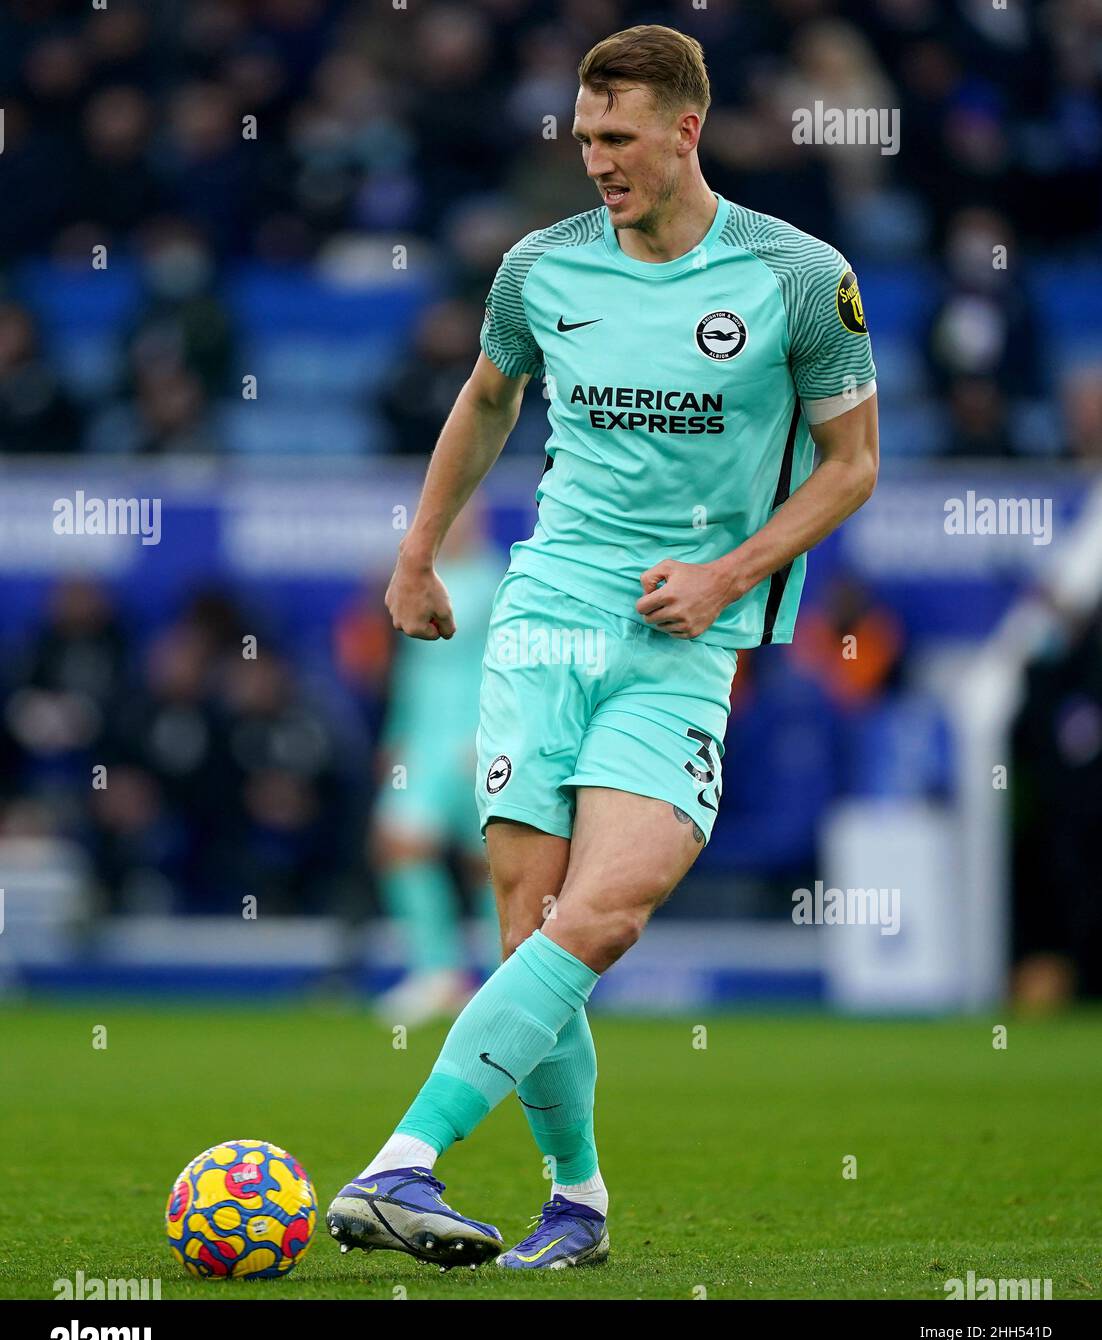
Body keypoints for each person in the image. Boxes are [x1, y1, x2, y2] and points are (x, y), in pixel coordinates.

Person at [328, 23, 878, 1273]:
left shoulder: (798, 280)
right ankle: (576, 1202)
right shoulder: (538, 269)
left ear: (688, 129)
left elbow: (852, 467)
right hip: (545, 618)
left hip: (686, 639)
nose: (597, 162)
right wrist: (418, 554)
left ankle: (399, 1160)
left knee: (607, 914)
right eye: (583, 139)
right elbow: (485, 399)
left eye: (618, 138)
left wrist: (729, 572)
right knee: (532, 934)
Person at [371, 501, 504, 1025]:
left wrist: (499, 733)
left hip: (477, 739)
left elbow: (511, 664)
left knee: (490, 863)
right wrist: (397, 736)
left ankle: (504, 980)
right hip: (423, 744)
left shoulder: (498, 582)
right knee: (400, 845)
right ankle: (438, 973)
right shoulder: (418, 580)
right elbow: (411, 666)